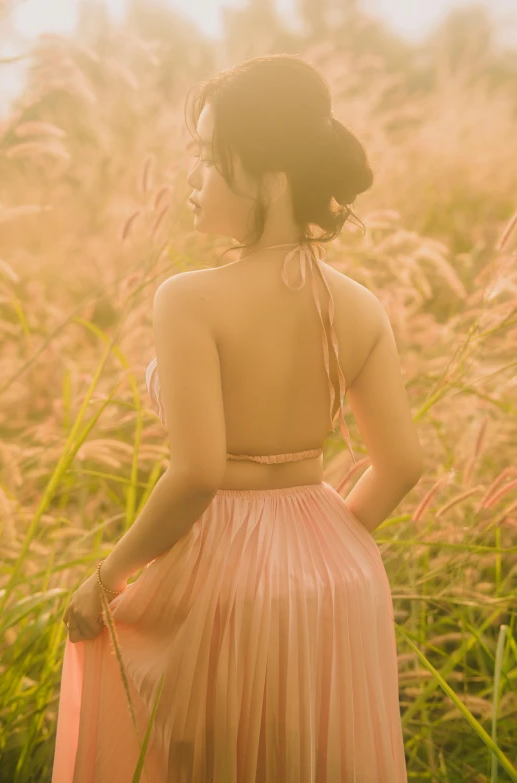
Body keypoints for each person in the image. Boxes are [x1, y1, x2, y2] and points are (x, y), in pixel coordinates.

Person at [52, 53, 423, 782]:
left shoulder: (189, 298)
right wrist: (325, 545)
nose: (192, 178)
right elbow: (405, 464)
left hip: (220, 565)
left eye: (208, 157)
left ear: (268, 176)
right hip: (340, 571)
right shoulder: (361, 305)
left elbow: (194, 472)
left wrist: (108, 573)